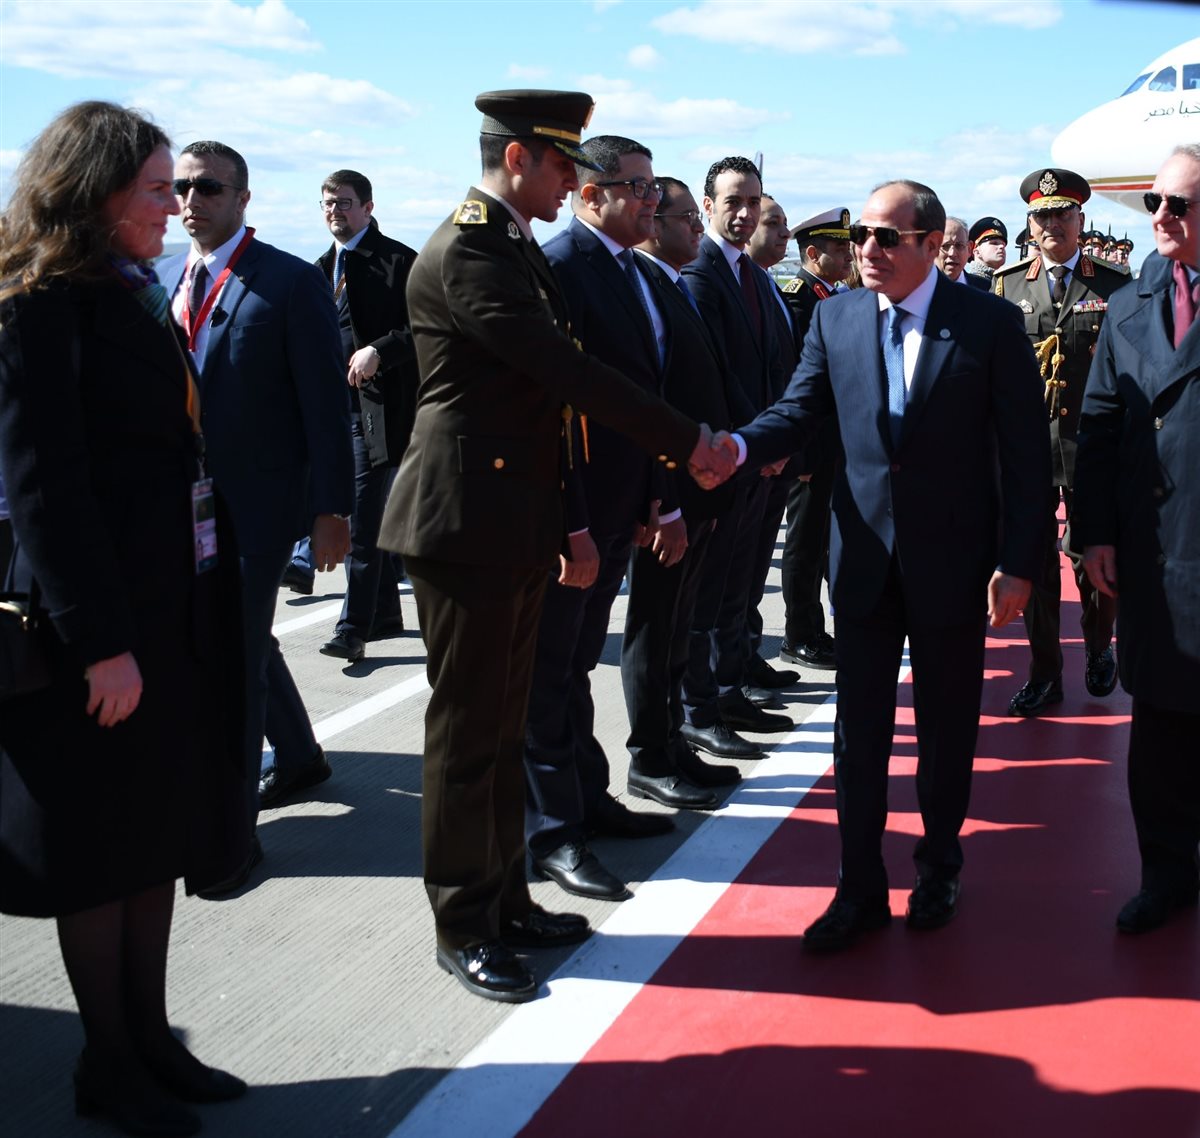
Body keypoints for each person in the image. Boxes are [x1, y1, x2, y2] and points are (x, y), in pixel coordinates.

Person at [376, 90, 709, 1003]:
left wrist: (566, 518)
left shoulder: (514, 245)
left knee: (502, 724)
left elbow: (548, 410)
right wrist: (689, 441)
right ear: (518, 157)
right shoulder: (471, 249)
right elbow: (564, 373)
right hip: (462, 522)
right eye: (564, 163)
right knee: (467, 739)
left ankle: (507, 900)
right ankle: (463, 925)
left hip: (511, 517)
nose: (574, 179)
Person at [698, 180, 1048, 951]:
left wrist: (1019, 561)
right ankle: (857, 887)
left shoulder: (988, 323)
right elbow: (799, 408)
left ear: (931, 244)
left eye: (886, 237)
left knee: (946, 728)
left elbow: (1026, 454)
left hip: (954, 563)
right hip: (861, 562)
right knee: (858, 736)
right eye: (861, 235)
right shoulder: (838, 317)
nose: (867, 249)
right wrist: (740, 446)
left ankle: (939, 866)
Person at [0, 101, 249, 1137]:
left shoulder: (132, 289)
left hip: (167, 610)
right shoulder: (39, 302)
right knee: (99, 853)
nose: (173, 206)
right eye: (155, 189)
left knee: (155, 838)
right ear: (94, 192)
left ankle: (151, 1040)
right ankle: (106, 1062)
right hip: (97, 632)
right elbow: (44, 488)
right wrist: (100, 642)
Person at [158, 143, 354, 870]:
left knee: (230, 659)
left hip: (261, 505)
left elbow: (325, 405)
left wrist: (332, 509)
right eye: (180, 187)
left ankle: (230, 836)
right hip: (184, 505)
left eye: (209, 187)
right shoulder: (166, 277)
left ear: (243, 198)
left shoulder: (290, 281)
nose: (191, 200)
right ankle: (299, 756)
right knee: (241, 638)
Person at [1074, 144, 1200, 934]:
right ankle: (1166, 875)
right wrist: (1094, 535)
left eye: (1177, 204)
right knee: (1158, 720)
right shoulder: (1127, 306)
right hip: (1153, 547)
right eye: (1155, 201)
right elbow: (1097, 427)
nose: (1159, 215)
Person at [992, 168, 1129, 717]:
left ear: (1080, 219)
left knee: (1091, 552)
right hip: (1029, 448)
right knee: (1035, 559)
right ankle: (1045, 670)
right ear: (1030, 224)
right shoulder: (1006, 286)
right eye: (1042, 216)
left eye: (1062, 214)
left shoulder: (1114, 285)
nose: (1052, 224)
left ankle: (1098, 646)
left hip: (1092, 444)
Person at [679, 157, 793, 762]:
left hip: (757, 458)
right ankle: (699, 710)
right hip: (727, 458)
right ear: (708, 206)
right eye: (733, 201)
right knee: (707, 594)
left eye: (753, 201)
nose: (745, 213)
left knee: (737, 586)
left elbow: (776, 365)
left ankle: (728, 690)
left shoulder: (754, 275)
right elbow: (717, 373)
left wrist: (775, 441)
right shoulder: (700, 274)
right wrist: (758, 442)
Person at [305, 170, 418, 669]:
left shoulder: (399, 261)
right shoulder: (319, 269)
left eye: (345, 203)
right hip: (334, 412)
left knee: (363, 521)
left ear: (368, 208)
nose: (335, 211)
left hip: (384, 411)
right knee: (367, 517)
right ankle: (384, 613)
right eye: (328, 203)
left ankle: (352, 630)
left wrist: (380, 350)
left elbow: (430, 326)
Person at [779, 206, 854, 671]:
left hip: (834, 445)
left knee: (828, 541)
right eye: (839, 248)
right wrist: (802, 453)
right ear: (812, 254)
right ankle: (798, 633)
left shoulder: (831, 295)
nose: (848, 256)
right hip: (812, 446)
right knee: (805, 542)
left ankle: (818, 628)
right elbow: (797, 384)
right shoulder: (799, 299)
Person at [937, 217, 990, 290]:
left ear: (969, 249)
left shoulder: (986, 288)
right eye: (945, 246)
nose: (952, 253)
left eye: (959, 246)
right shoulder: (922, 287)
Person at [966, 216, 1007, 282]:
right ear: (977, 252)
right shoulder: (968, 283)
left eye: (1004, 245)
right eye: (994, 243)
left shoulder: (1004, 282)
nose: (1001, 246)